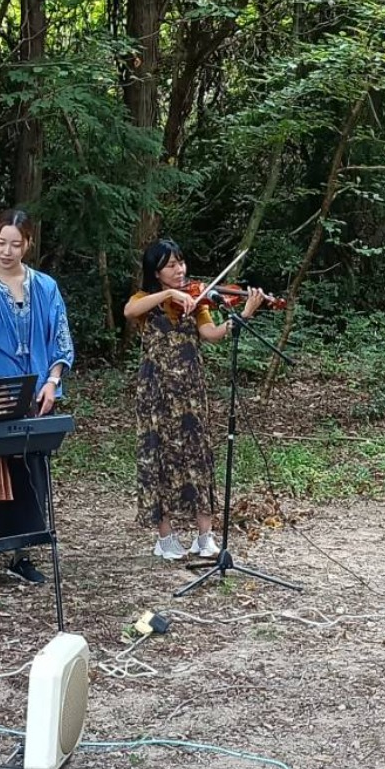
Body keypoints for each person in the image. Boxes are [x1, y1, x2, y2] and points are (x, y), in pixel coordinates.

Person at [0, 210, 75, 586]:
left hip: (37, 394)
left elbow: (59, 335)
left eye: (15, 244)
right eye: (0, 242)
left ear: (28, 245)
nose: (6, 251)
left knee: (31, 473)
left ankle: (22, 552)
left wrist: (52, 380)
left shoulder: (45, 286)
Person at [124, 239, 266, 562]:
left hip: (190, 390)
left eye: (181, 263)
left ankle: (205, 537)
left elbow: (211, 334)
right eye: (171, 265)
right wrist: (169, 295)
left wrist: (244, 314)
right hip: (156, 392)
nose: (180, 270)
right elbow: (129, 311)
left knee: (198, 456)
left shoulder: (196, 299)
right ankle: (165, 538)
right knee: (158, 457)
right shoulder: (145, 300)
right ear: (156, 272)